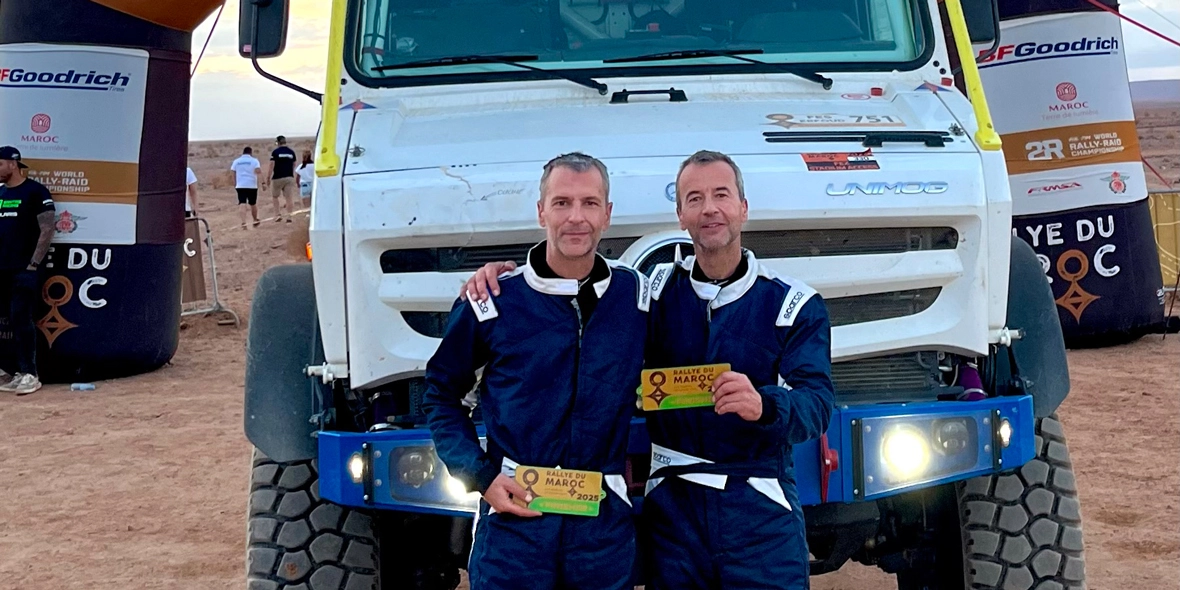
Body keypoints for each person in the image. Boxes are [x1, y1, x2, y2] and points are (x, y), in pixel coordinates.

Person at [463, 150, 835, 589]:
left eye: (721, 195)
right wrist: (502, 276)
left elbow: (817, 403)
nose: (709, 209)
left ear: (743, 207)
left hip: (760, 510)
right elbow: (568, 289)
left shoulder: (793, 304)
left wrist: (765, 405)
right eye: (694, 198)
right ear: (680, 215)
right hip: (674, 517)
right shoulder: (648, 293)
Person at [423, 153, 648, 590]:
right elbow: (441, 394)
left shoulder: (636, 296)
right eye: (562, 203)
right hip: (514, 525)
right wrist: (481, 477)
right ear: (541, 211)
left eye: (589, 203)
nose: (576, 217)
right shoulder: (492, 302)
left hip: (601, 528)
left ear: (607, 214)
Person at [0, 146, 55, 395]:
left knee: (21, 318)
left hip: (23, 269)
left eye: (0, 164)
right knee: (7, 320)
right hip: (2, 268)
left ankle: (30, 374)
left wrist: (33, 263)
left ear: (13, 164)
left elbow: (48, 227)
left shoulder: (35, 191)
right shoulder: (1, 192)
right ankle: (12, 371)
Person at [267, 135, 298, 223]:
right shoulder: (291, 152)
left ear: (278, 142)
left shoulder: (275, 152)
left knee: (275, 196)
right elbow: (294, 164)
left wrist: (268, 177)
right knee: (289, 197)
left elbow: (271, 165)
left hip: (277, 177)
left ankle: (277, 214)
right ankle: (289, 216)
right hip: (289, 176)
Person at [230, 146, 262, 230]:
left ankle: (243, 222)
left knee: (242, 203)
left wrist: (235, 183)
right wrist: (263, 182)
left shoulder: (236, 161)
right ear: (250, 153)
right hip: (252, 185)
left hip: (240, 185)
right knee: (253, 203)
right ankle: (255, 220)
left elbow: (233, 172)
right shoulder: (254, 161)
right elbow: (258, 171)